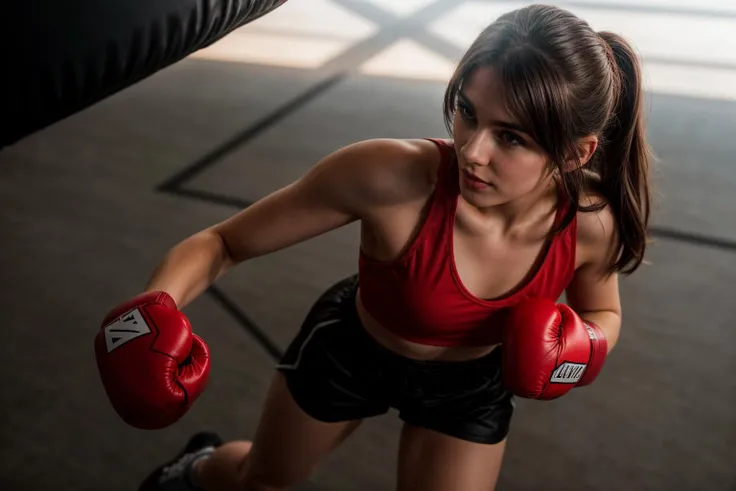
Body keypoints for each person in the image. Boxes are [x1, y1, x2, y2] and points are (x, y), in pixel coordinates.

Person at [94, 4, 653, 491]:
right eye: (467, 111)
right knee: (260, 480)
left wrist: (584, 349)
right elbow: (222, 242)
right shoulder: (387, 175)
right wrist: (149, 313)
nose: (473, 151)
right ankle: (194, 471)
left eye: (511, 137)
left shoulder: (589, 224)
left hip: (470, 387)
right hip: (351, 353)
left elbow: (603, 310)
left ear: (577, 153)